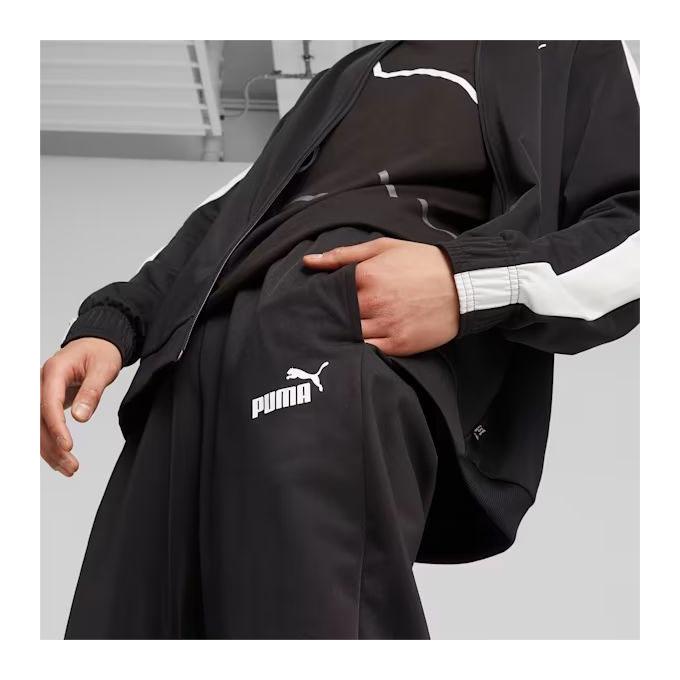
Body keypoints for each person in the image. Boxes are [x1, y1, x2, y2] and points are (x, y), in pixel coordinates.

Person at [40, 40, 640, 639]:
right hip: (186, 376)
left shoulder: (564, 47)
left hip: (335, 334)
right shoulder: (345, 76)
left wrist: (466, 283)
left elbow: (642, 225)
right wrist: (113, 323)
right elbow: (222, 219)